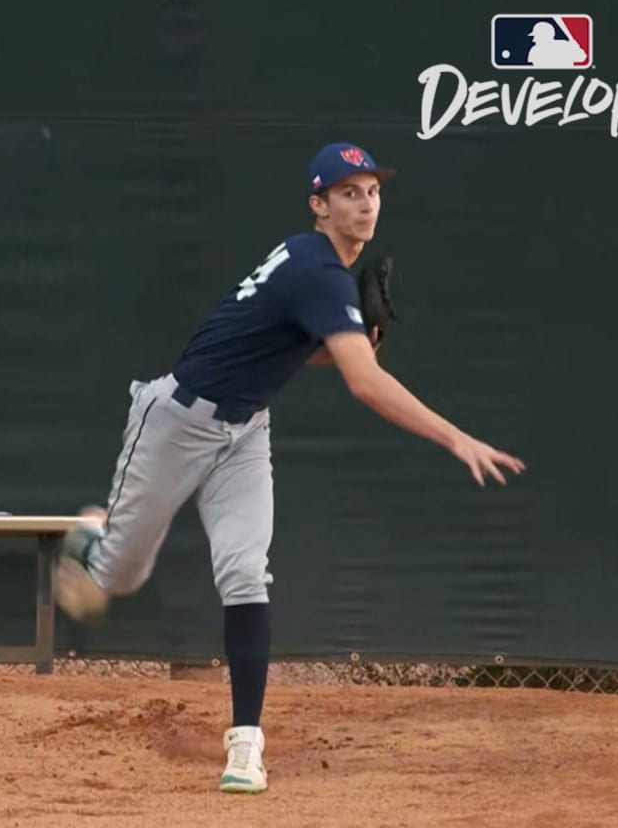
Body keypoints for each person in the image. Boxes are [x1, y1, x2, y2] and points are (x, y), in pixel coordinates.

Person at [53, 142, 526, 794]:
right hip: (174, 423)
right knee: (117, 578)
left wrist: (362, 338)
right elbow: (364, 382)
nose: (364, 203)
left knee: (246, 571)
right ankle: (93, 540)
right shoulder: (317, 269)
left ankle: (245, 745)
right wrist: (455, 438)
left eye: (371, 191)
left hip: (244, 430)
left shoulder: (317, 265)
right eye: (347, 193)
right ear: (319, 204)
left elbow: (301, 354)